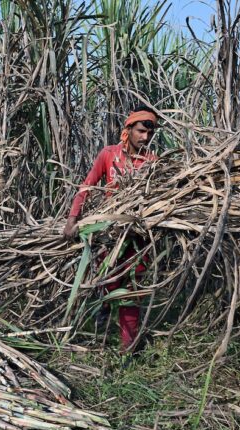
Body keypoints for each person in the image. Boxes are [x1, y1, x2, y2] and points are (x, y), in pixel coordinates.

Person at [63, 105, 159, 353]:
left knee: (132, 290)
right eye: (140, 131)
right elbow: (87, 186)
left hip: (138, 238)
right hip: (109, 236)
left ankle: (129, 348)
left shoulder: (153, 162)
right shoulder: (109, 154)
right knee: (108, 284)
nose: (145, 137)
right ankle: (101, 335)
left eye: (149, 133)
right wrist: (72, 218)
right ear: (129, 129)